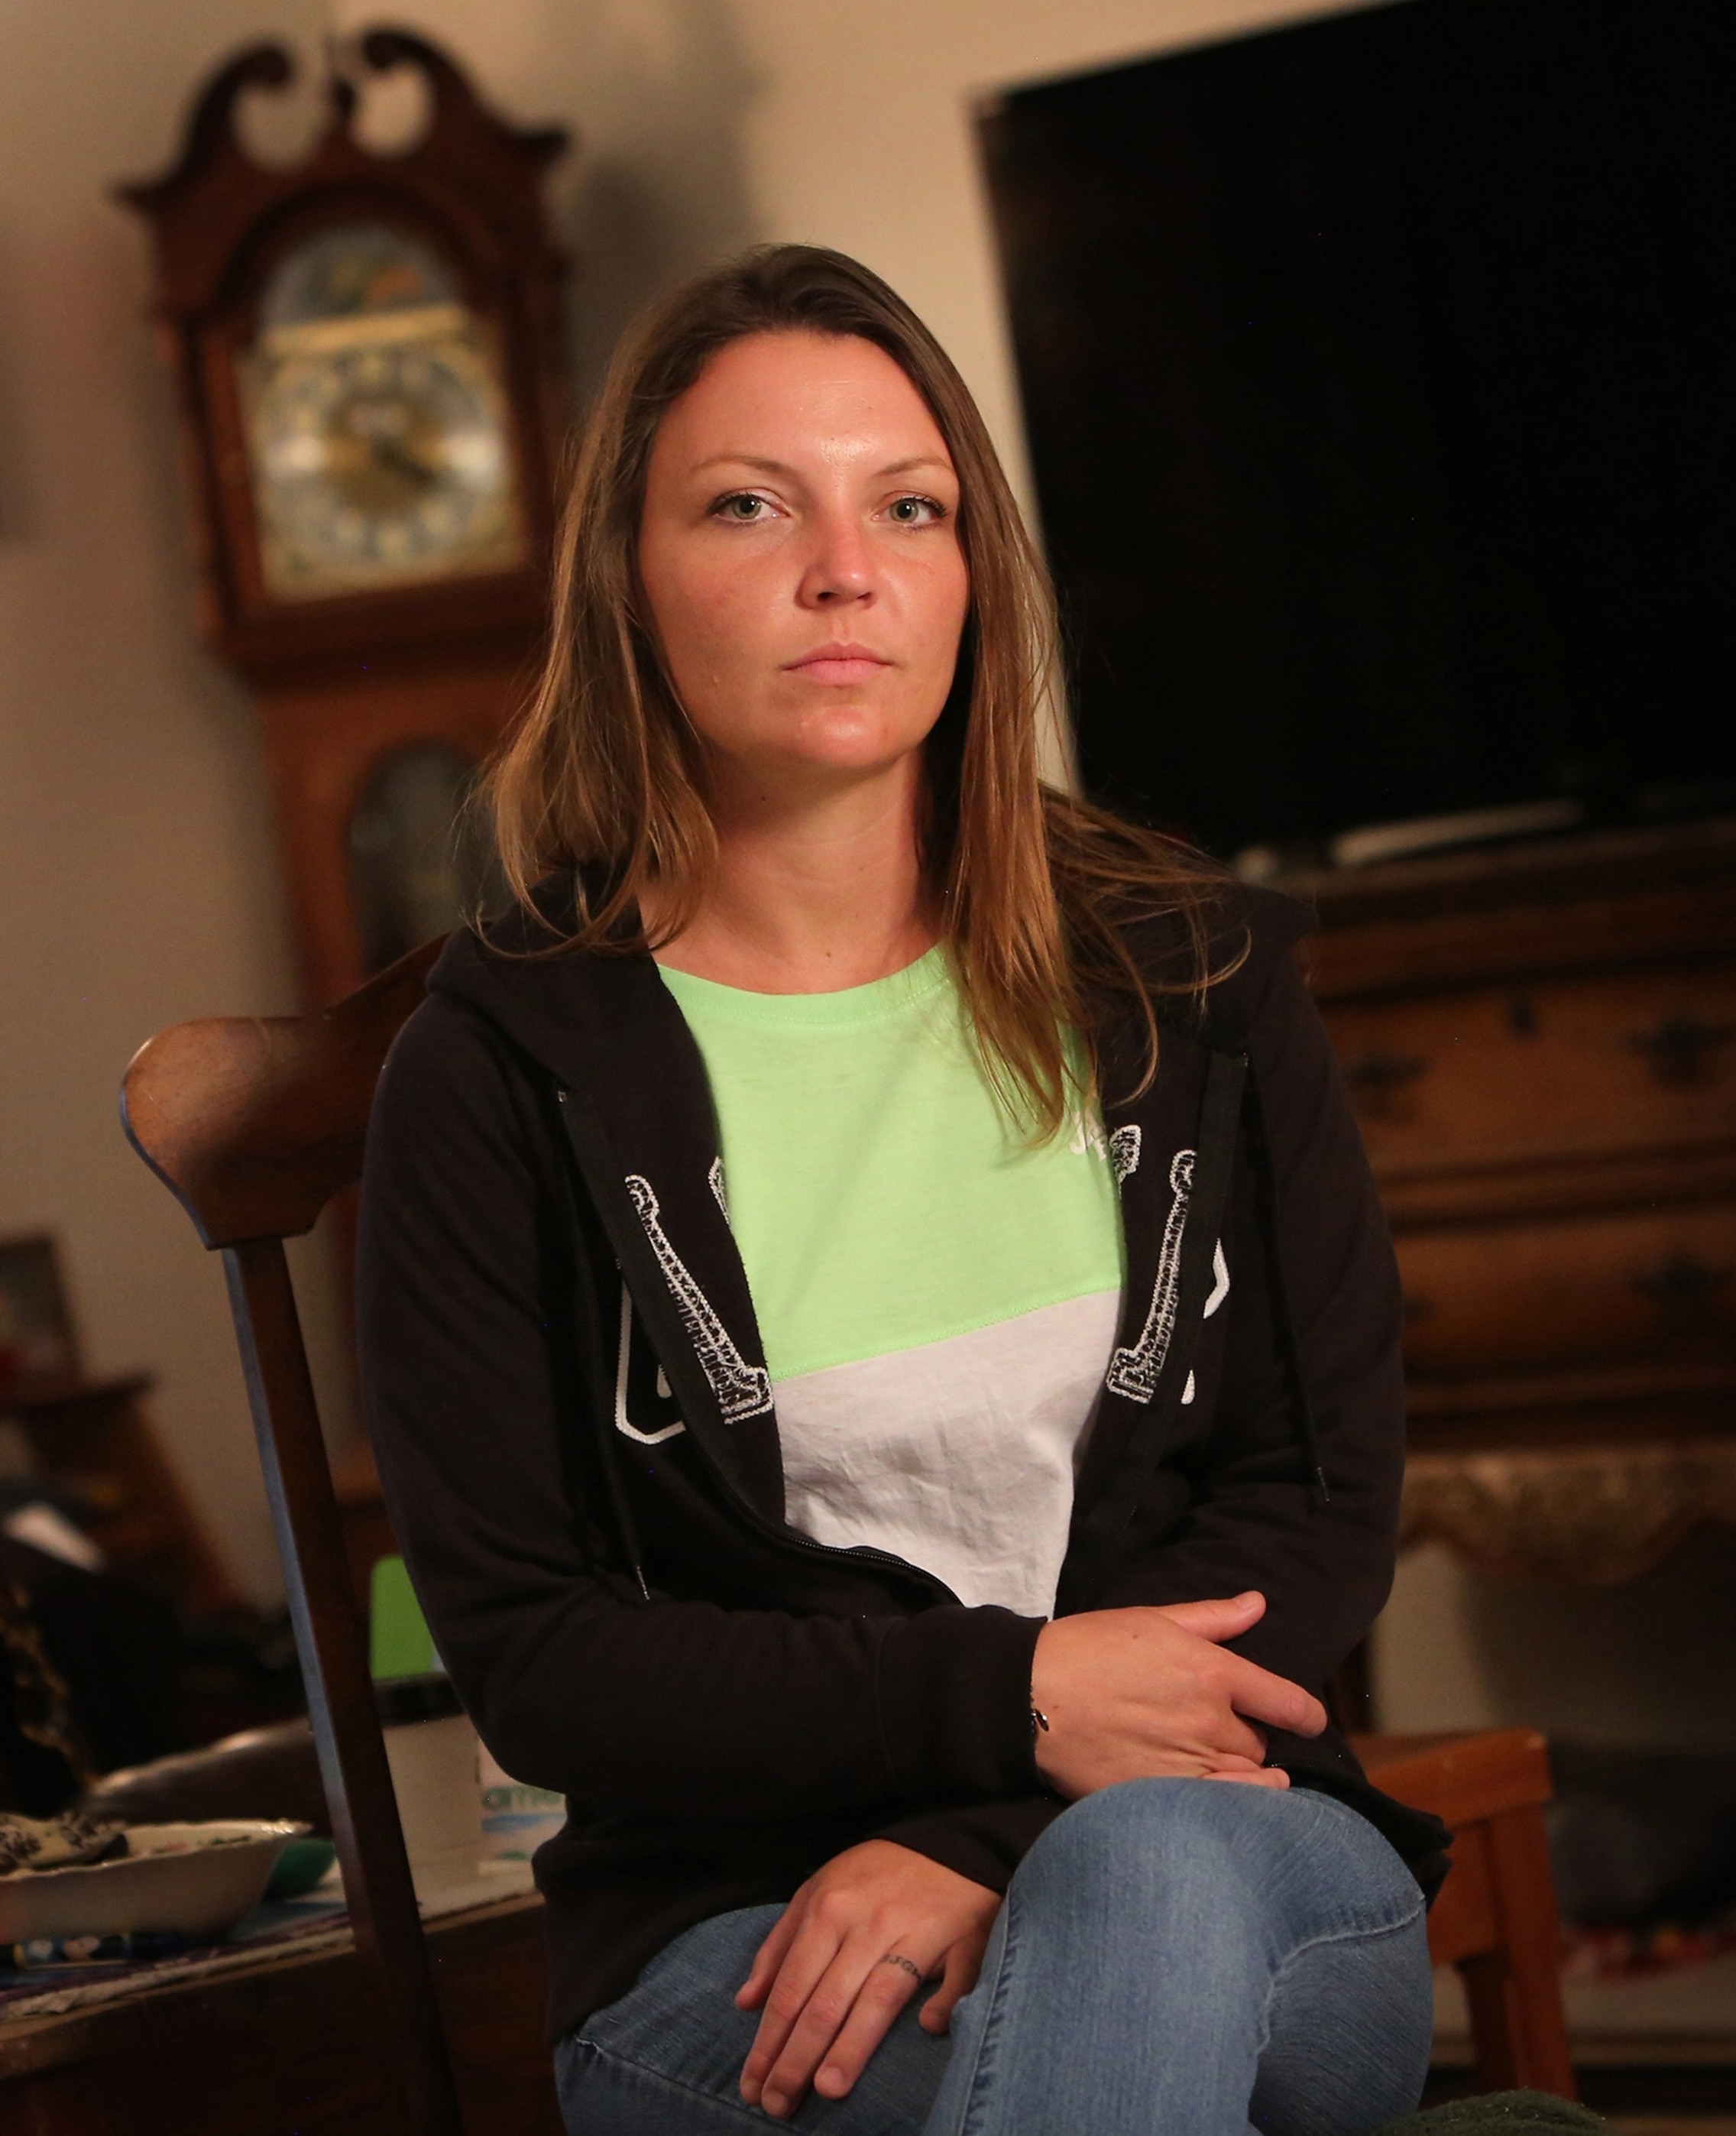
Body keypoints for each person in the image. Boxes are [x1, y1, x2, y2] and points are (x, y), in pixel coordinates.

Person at [358, 244, 1449, 2135]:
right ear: (625, 577)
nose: (843, 569)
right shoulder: (498, 1072)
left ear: (972, 575)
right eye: (748, 505)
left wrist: (984, 1833)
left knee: (1139, 1886)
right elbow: (542, 1660)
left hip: (1227, 1849)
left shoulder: (1190, 979)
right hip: (737, 1936)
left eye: (910, 507)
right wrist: (1015, 1704)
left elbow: (1317, 1499)